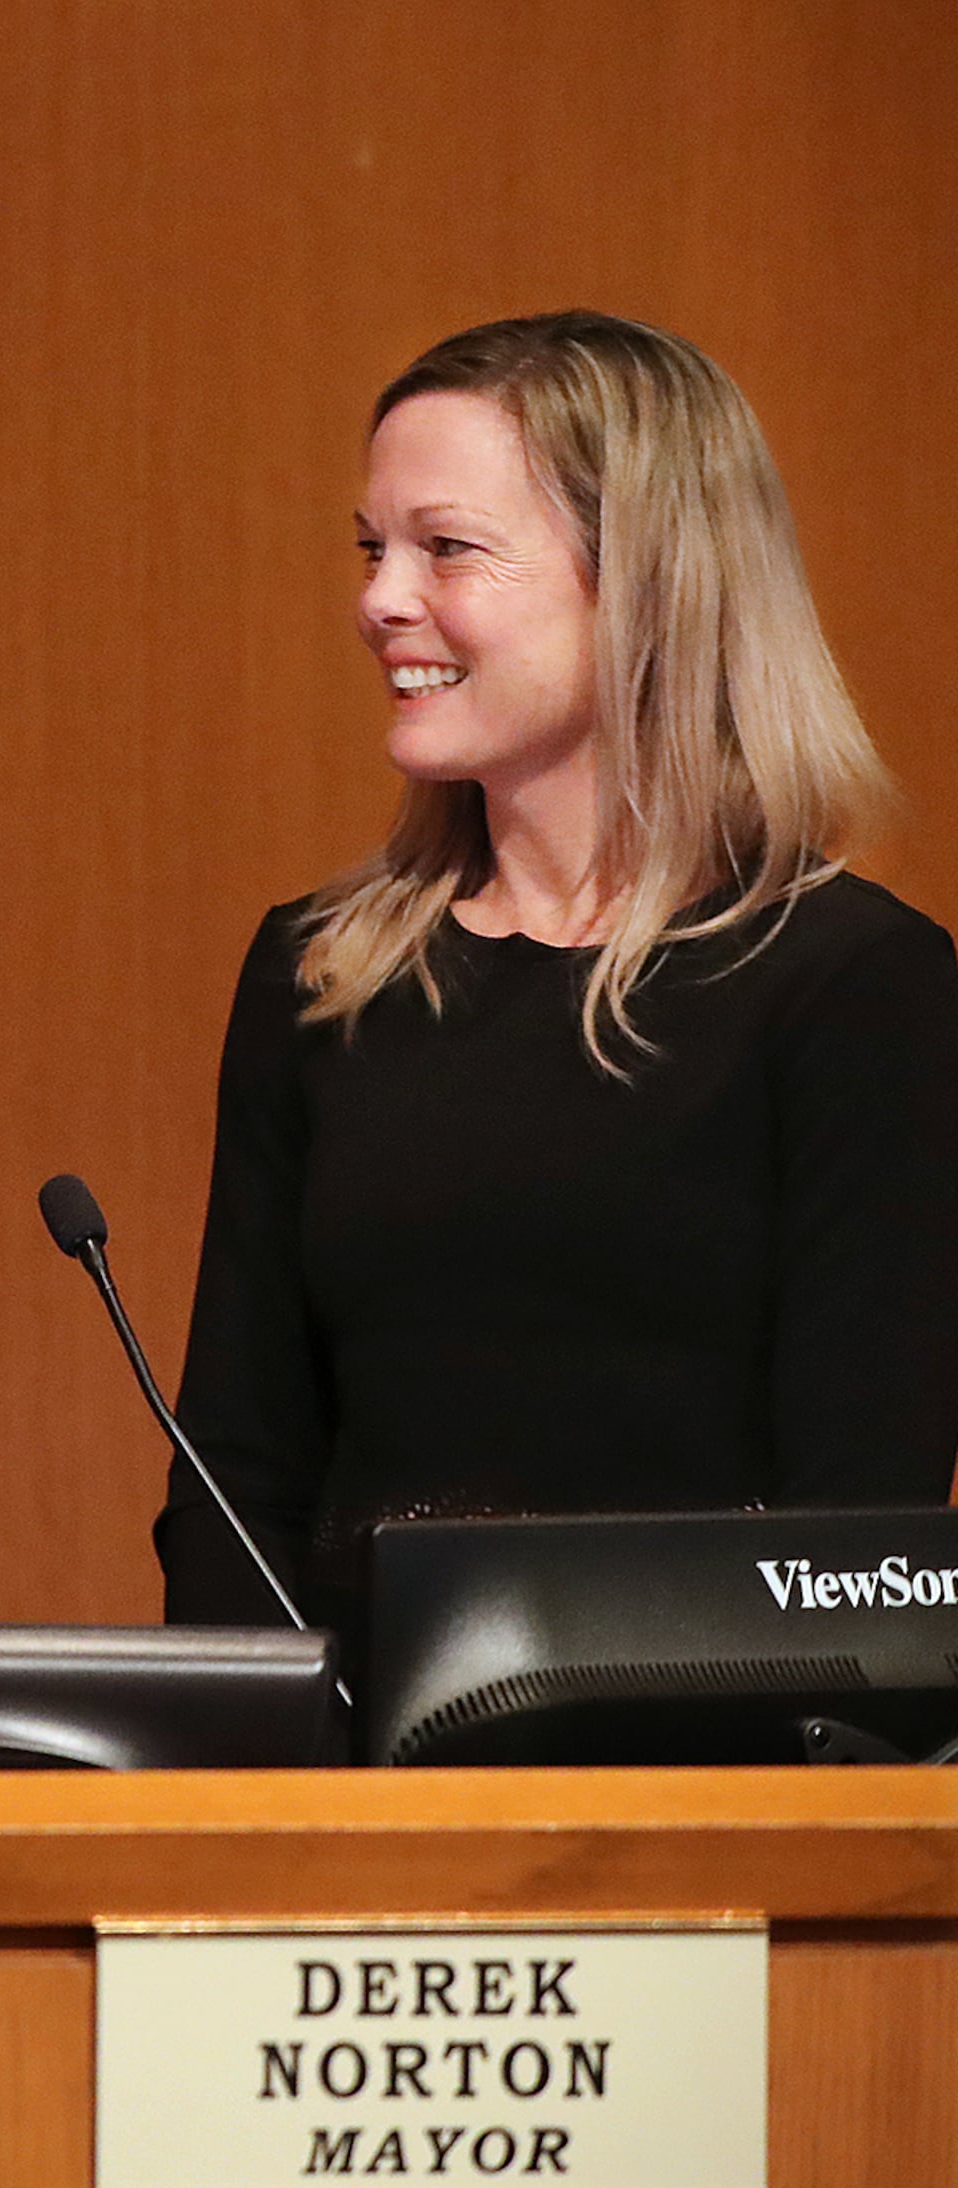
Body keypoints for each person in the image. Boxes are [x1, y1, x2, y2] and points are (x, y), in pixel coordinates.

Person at [162, 311, 958, 1649]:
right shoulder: (321, 973)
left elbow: (858, 1541)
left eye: (447, 549)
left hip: (704, 1806)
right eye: (373, 549)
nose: (379, 601)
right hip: (354, 1809)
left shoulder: (858, 988)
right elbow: (238, 1472)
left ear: (645, 579)